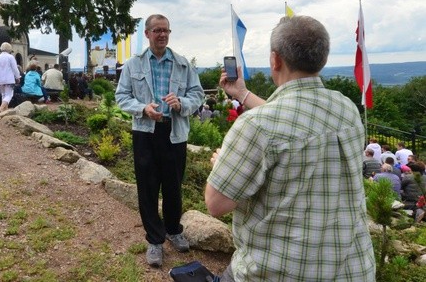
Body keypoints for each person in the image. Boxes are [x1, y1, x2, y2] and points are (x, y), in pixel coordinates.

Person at [206, 15, 375, 282]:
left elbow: (216, 204)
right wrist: (242, 93)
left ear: (275, 60)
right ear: (322, 58)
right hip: (352, 271)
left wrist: (223, 166)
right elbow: (296, 121)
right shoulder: (347, 109)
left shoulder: (256, 126)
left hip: (277, 272)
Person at [116, 14, 204, 267]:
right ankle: (155, 240)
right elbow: (121, 96)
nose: (162, 34)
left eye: (166, 30)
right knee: (148, 187)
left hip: (174, 133)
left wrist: (182, 103)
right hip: (145, 132)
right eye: (157, 30)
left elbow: (197, 94)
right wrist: (143, 108)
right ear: (147, 34)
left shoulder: (183, 64)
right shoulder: (133, 65)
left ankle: (174, 230)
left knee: (174, 185)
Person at [0, 42, 20, 113]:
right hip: (9, 79)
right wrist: (18, 77)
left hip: (0, 80)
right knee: (9, 94)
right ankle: (2, 108)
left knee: (3, 94)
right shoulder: (10, 57)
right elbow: (15, 68)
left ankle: (5, 110)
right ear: (9, 49)